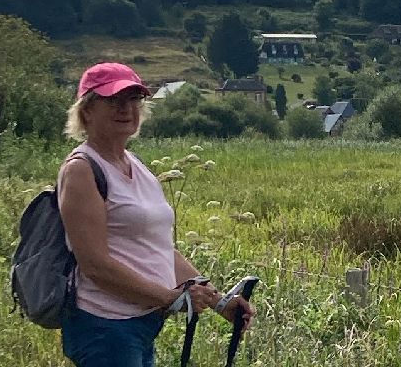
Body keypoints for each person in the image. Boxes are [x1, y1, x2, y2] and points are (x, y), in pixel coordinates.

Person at [57, 62, 254, 366]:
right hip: (105, 328)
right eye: (113, 100)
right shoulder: (82, 170)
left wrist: (219, 302)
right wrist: (169, 298)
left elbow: (160, 249)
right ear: (86, 111)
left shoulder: (135, 165)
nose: (125, 108)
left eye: (133, 99)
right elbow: (95, 266)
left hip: (140, 325)